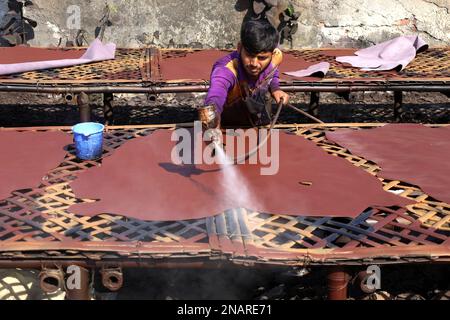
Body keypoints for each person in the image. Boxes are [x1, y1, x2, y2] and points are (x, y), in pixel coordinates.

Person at [203, 19, 289, 128]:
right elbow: (216, 93)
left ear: (272, 54)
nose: (254, 63)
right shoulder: (226, 69)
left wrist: (275, 88)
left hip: (257, 120)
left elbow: (273, 70)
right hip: (229, 127)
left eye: (262, 58)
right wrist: (212, 117)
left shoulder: (276, 56)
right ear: (239, 48)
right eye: (249, 55)